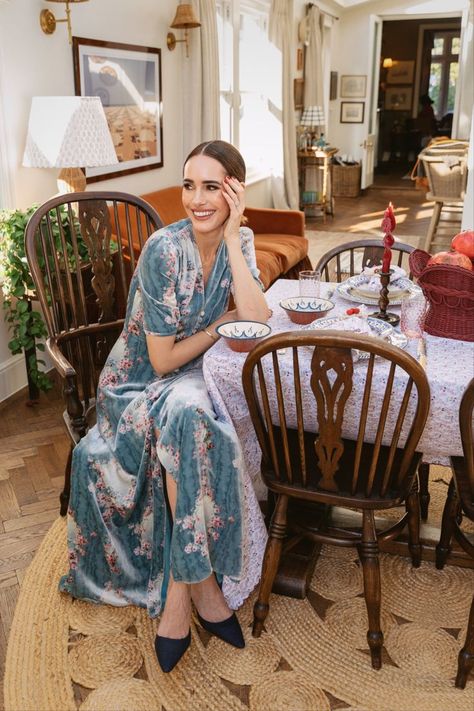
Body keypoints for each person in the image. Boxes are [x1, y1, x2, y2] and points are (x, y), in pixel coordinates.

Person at [59, 140, 270, 672]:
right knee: (191, 414)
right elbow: (160, 358)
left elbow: (257, 317)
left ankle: (182, 589)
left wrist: (233, 232)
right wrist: (215, 327)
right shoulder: (162, 249)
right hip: (137, 385)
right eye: (189, 185)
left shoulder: (237, 238)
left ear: (234, 192)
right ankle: (198, 592)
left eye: (212, 187)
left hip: (190, 377)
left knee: (192, 414)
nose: (196, 199)